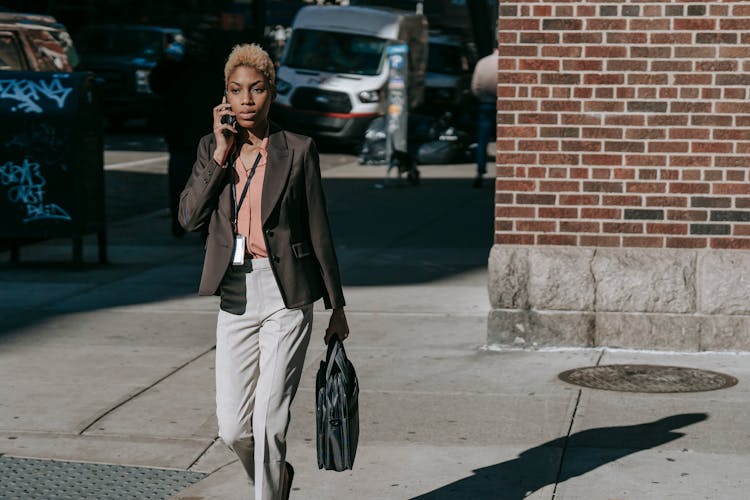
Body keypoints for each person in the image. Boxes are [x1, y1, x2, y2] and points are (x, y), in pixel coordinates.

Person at [178, 44, 349, 499]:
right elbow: (189, 218)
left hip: (288, 294)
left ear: (272, 93)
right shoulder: (211, 150)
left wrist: (337, 306)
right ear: (225, 99)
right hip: (235, 291)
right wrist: (218, 154)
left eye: (256, 89)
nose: (247, 100)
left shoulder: (298, 150)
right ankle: (276, 480)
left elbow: (319, 228)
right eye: (237, 91)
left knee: (269, 419)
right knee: (234, 428)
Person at [470, 49, 498, 188]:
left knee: (483, 140)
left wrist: (481, 97)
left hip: (486, 104)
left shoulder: (483, 62)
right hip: (504, 105)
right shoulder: (508, 62)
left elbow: (475, 86)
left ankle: (480, 171)